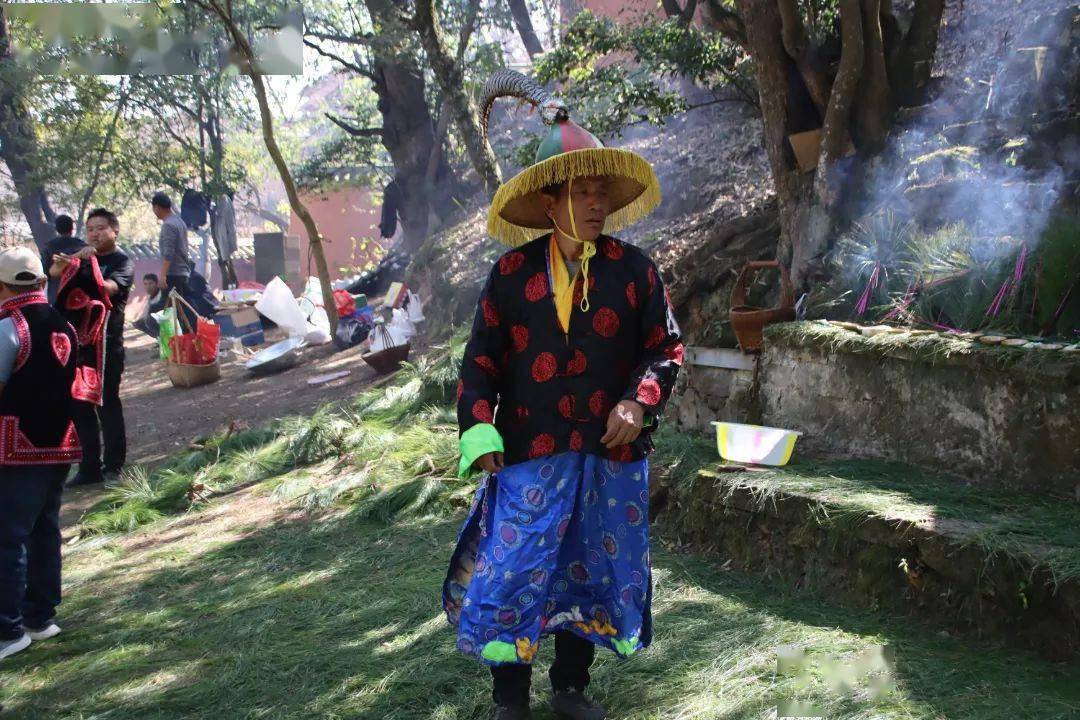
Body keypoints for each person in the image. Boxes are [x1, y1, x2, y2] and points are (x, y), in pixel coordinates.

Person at [442, 71, 683, 720]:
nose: (596, 202)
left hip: (610, 458)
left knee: (590, 571)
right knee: (512, 575)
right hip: (530, 455)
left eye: (601, 190)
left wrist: (638, 401)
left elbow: (665, 348)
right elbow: (479, 365)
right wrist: (480, 431)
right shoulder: (511, 277)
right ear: (552, 203)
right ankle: (509, 699)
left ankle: (571, 687)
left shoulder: (635, 273)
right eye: (582, 191)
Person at [0, 246, 81, 661]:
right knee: (45, 530)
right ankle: (40, 617)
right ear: (42, 282)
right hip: (59, 443)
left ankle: (7, 630)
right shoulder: (62, 324)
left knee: (8, 538)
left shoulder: (8, 327)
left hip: (17, 448)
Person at [52, 208, 133, 486]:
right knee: (78, 404)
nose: (95, 234)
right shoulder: (81, 258)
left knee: (107, 403)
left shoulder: (123, 262)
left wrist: (91, 265)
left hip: (108, 345)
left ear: (114, 230)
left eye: (101, 228)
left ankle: (113, 465)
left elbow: (109, 288)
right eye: (90, 229)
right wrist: (72, 262)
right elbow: (54, 275)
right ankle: (89, 467)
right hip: (80, 345)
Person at [151, 192, 197, 327]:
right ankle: (186, 339)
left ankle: (180, 341)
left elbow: (168, 253)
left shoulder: (168, 225)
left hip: (173, 274)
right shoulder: (179, 222)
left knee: (171, 311)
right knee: (181, 310)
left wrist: (162, 275)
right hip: (183, 272)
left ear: (157, 207)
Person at [40, 214, 86, 304]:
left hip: (55, 293)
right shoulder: (82, 246)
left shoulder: (49, 246)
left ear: (56, 229)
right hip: (78, 294)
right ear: (72, 229)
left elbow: (44, 271)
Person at [132, 273, 167, 338]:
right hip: (157, 319)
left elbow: (163, 306)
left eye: (150, 283)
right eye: (145, 284)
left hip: (168, 318)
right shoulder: (149, 296)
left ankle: (164, 339)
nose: (148, 286)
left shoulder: (162, 293)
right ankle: (159, 338)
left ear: (157, 284)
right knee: (137, 323)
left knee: (149, 320)